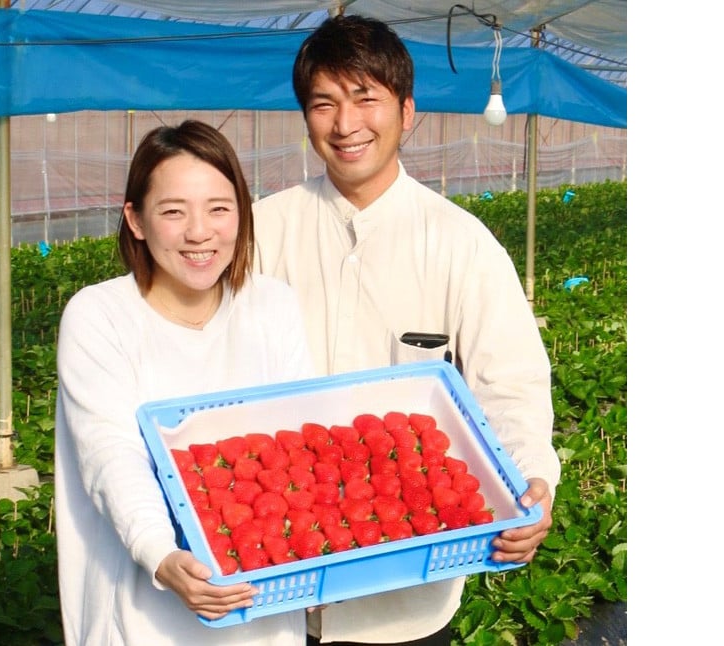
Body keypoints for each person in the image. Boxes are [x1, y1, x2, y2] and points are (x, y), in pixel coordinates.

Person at [252, 15, 561, 646]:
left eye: (366, 98)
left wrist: (532, 475)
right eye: (324, 103)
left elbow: (511, 385)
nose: (346, 124)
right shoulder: (261, 233)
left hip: (405, 601)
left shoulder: (461, 245)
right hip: (270, 587)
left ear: (407, 111)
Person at [54, 120, 313, 646]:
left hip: (259, 608)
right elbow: (111, 453)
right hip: (143, 613)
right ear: (137, 220)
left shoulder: (272, 306)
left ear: (242, 212)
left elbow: (298, 442)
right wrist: (161, 553)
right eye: (174, 211)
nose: (200, 232)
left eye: (219, 208)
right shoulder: (100, 316)